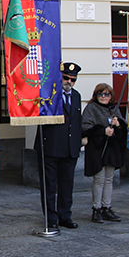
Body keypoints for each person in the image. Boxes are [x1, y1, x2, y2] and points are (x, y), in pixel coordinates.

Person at [38, 62, 82, 230]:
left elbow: (76, 122)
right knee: (49, 185)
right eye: (66, 78)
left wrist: (78, 144)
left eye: (73, 79)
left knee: (67, 185)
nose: (69, 82)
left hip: (70, 149)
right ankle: (51, 218)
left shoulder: (76, 96)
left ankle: (65, 215)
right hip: (52, 147)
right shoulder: (49, 94)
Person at [82, 83, 126, 222]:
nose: (103, 97)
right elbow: (85, 127)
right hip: (97, 149)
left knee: (109, 179)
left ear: (111, 96)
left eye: (107, 94)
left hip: (111, 149)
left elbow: (123, 128)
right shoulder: (91, 108)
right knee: (99, 179)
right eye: (100, 94)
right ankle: (97, 209)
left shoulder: (114, 109)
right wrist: (102, 131)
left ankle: (107, 207)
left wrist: (118, 125)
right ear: (96, 95)